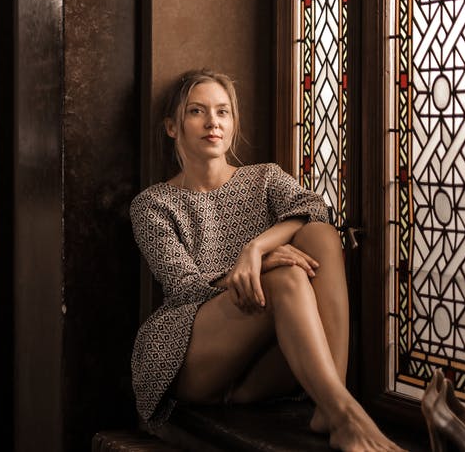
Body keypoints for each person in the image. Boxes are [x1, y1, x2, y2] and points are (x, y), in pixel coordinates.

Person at [130, 69, 403, 452]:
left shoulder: (264, 179)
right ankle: (346, 415)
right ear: (172, 127)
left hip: (261, 367)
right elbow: (183, 287)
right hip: (188, 352)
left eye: (223, 112)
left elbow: (315, 209)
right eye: (197, 111)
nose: (213, 122)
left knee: (319, 234)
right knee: (287, 277)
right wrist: (264, 266)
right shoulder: (152, 204)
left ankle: (331, 401)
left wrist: (255, 251)